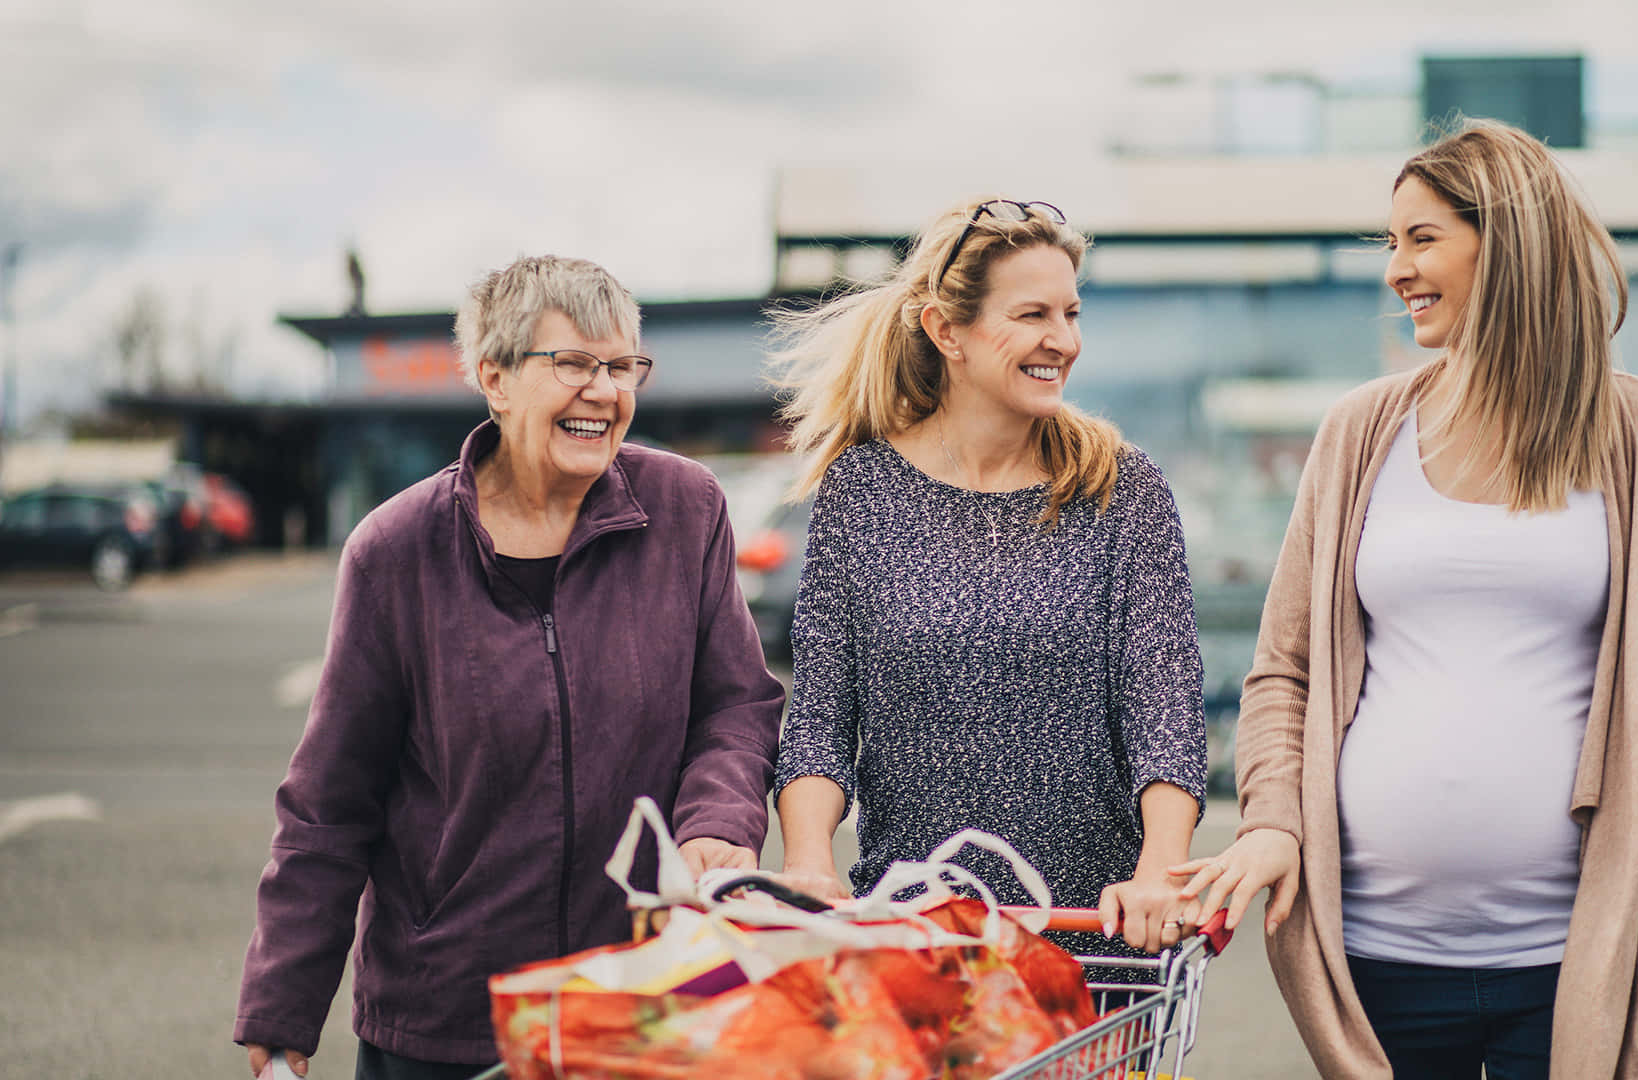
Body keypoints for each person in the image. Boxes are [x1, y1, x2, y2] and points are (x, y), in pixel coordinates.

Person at [1174, 120, 1638, 1078]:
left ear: (1512, 242)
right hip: (1375, 962)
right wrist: (1272, 818)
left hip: (1567, 961)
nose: (1397, 269)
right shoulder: (1361, 431)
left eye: (1423, 238)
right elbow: (1283, 670)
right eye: (1390, 243)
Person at [233, 255, 786, 1079]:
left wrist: (716, 821)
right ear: (494, 377)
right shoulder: (395, 552)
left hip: (643, 997)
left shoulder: (686, 509)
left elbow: (735, 707)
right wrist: (283, 1001)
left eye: (622, 366)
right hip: (445, 1020)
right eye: (572, 364)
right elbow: (330, 801)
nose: (604, 391)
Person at [768, 199, 1209, 954]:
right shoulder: (862, 491)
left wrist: (1161, 869)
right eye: (1032, 314)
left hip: (1093, 948)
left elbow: (1165, 712)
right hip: (912, 935)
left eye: (1071, 313)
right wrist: (809, 862)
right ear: (946, 331)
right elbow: (819, 718)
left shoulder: (1120, 488)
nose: (1062, 341)